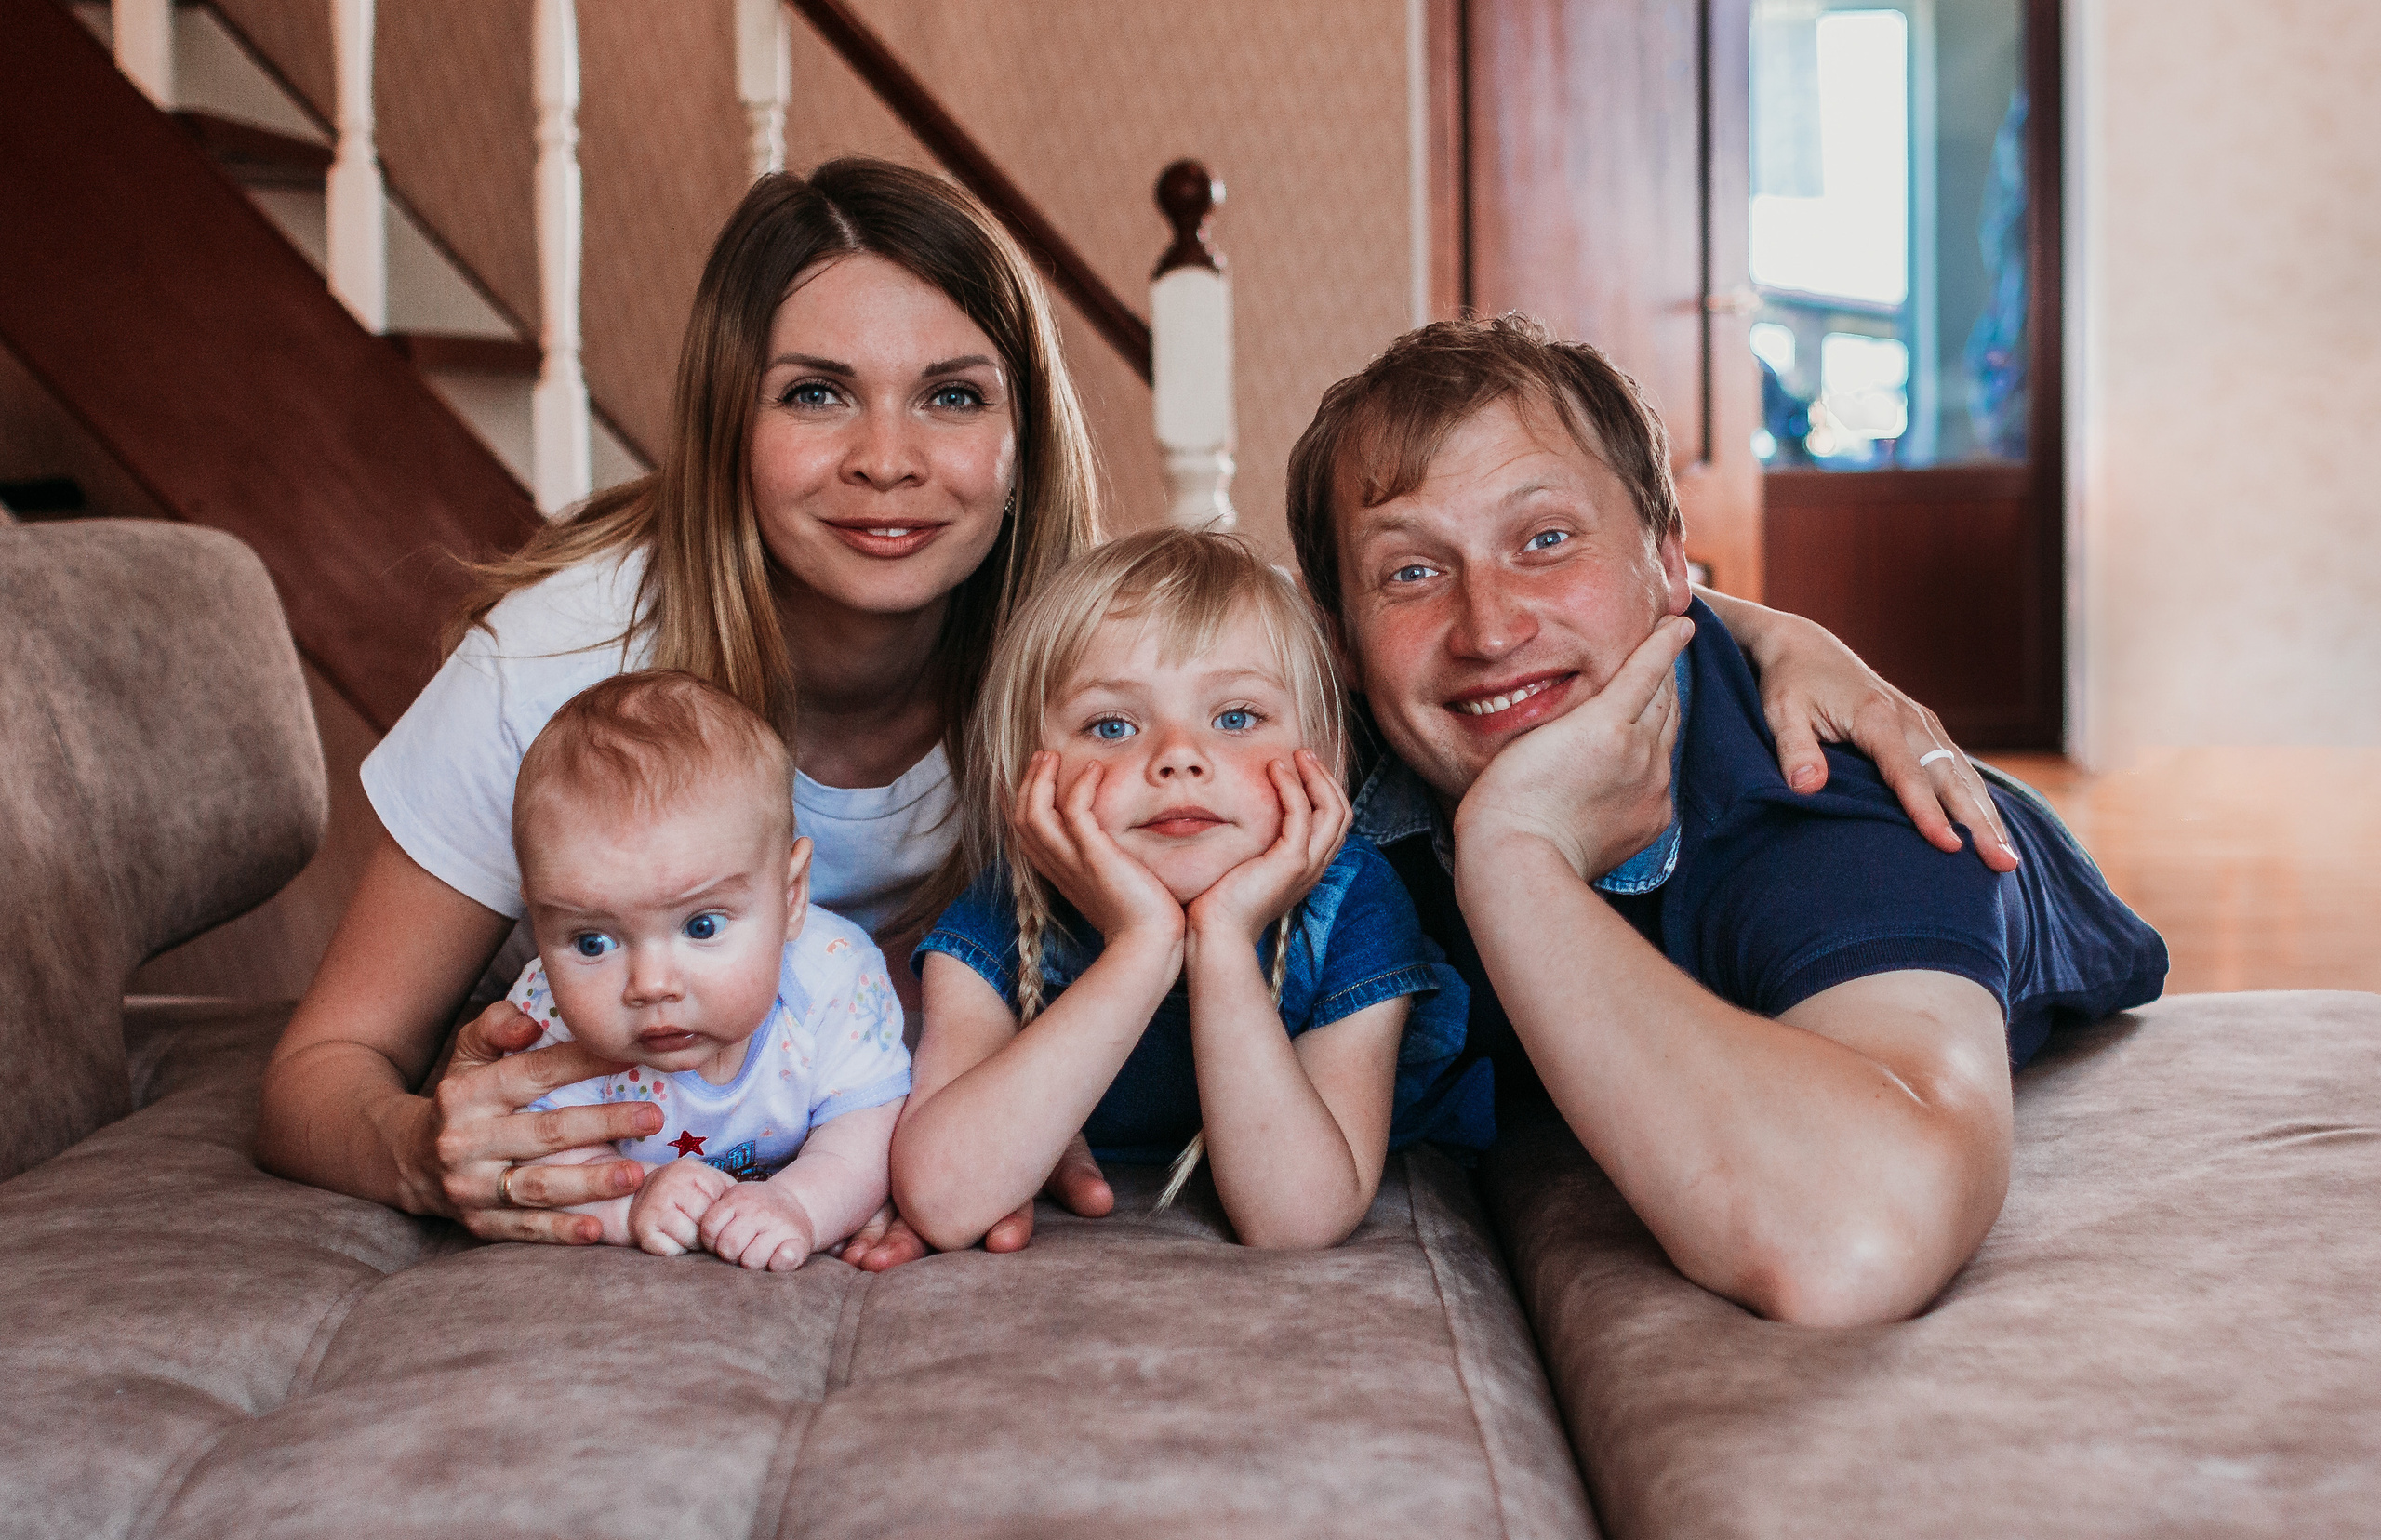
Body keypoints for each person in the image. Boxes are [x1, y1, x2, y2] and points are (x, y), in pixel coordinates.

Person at [253, 155, 2019, 1261]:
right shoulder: (573, 669)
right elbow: (318, 1069)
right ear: (729, 425)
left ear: (1023, 437)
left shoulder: (1076, 661)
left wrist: (1770, 632)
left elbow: (1427, 631)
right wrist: (420, 1149)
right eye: (816, 397)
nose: (888, 460)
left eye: (952, 394)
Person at [1284, 313, 2167, 1326]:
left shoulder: (1833, 804)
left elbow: (1854, 1241)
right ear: (1339, 639)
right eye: (1412, 572)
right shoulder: (1320, 746)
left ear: (1669, 569)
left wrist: (1514, 858)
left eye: (1545, 539)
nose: (1488, 628)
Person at [893, 530, 1480, 1252]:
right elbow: (943, 1199)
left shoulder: (1351, 903)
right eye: (1111, 725)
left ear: (1322, 756)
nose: (1177, 758)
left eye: (1236, 718)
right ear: (1032, 776)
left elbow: (1296, 1219)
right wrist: (1143, 944)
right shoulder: (1004, 910)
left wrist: (1225, 938)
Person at [498, 671, 908, 1271]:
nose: (652, 985)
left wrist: (798, 1204)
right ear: (538, 921)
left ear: (791, 897)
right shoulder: (545, 1013)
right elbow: (536, 1160)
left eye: (702, 927)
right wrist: (631, 1207)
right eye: (591, 941)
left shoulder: (833, 979)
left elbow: (865, 1133)